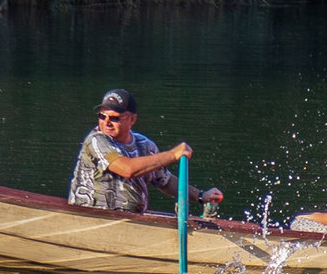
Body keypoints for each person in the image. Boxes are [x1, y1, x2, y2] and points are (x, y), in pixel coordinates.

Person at [66, 88, 222, 215]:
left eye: (114, 118)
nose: (106, 122)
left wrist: (201, 196)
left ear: (132, 119)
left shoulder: (144, 145)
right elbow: (127, 169)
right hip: (92, 215)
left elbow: (165, 181)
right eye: (102, 116)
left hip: (132, 220)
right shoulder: (96, 140)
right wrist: (172, 155)